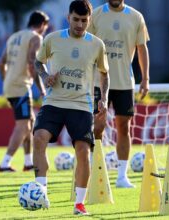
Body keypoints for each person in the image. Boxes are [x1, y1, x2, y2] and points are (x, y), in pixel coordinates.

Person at [33, 0, 109, 215]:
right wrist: (46, 76)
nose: (79, 24)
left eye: (84, 20)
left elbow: (104, 73)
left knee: (83, 151)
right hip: (54, 102)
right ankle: (41, 193)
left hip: (81, 105)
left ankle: (79, 203)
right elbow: (38, 62)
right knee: (39, 138)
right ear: (68, 18)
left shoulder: (96, 44)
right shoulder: (52, 39)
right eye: (76, 19)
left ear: (89, 20)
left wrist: (103, 98)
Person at [88, 0, 150, 188]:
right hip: (98, 82)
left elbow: (142, 48)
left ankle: (122, 176)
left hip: (124, 82)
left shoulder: (136, 16)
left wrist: (145, 78)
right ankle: (94, 169)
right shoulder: (96, 15)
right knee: (98, 126)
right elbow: (86, 46)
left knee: (124, 127)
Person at [0, 11, 49, 172]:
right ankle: (5, 163)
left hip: (10, 85)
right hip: (21, 86)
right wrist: (42, 88)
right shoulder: (36, 37)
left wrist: (7, 81)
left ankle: (28, 162)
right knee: (24, 126)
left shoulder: (14, 37)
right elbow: (32, 63)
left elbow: (1, 63)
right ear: (42, 25)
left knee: (30, 122)